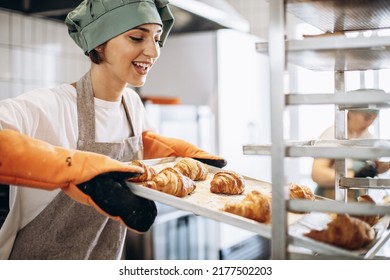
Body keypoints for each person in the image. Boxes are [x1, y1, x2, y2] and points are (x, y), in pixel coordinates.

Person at [0, 0, 226, 260]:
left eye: (157, 37)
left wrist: (172, 153)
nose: (153, 51)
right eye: (137, 37)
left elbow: (140, 145)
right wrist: (75, 169)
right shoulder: (51, 106)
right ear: (99, 41)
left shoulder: (131, 103)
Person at [311, 106, 390, 201]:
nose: (369, 124)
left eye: (373, 120)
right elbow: (317, 173)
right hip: (331, 200)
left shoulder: (367, 136)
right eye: (366, 118)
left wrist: (385, 166)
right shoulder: (333, 135)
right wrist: (354, 175)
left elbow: (376, 166)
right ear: (351, 113)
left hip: (355, 201)